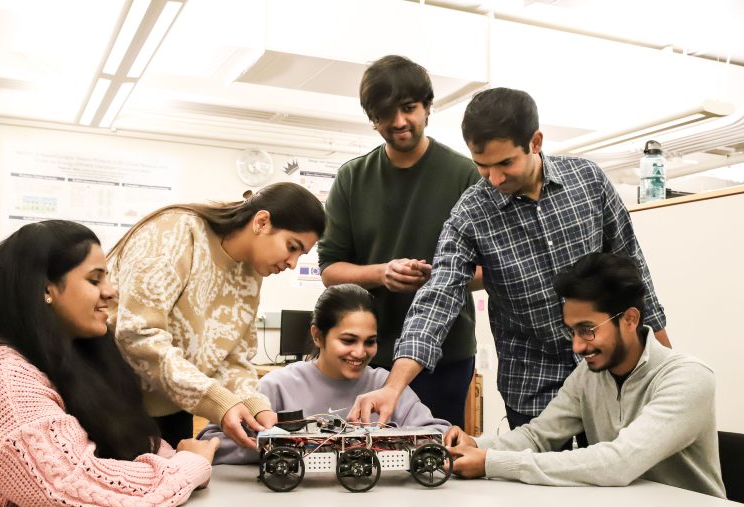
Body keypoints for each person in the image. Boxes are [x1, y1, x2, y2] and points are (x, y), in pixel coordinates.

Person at [350, 87, 670, 432]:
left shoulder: (589, 181)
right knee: (533, 478)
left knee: (616, 474)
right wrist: (393, 387)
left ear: (535, 142)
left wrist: (667, 363)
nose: (495, 179)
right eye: (482, 166)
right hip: (533, 386)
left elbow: (633, 270)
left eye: (505, 163)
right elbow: (436, 300)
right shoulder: (470, 214)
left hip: (608, 370)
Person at [0, 221, 220, 507]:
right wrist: (187, 467)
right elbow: (66, 483)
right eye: (95, 279)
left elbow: (131, 441)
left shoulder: (77, 357)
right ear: (45, 289)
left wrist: (175, 459)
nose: (111, 291)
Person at [443, 253, 724, 498]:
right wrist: (475, 445)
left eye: (587, 329)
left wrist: (491, 462)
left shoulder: (688, 378)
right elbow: (538, 436)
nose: (577, 346)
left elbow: (619, 462)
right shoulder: (588, 376)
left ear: (630, 319)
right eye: (572, 331)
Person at [318, 54, 481, 428]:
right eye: (385, 114)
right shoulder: (352, 178)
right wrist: (381, 273)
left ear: (427, 108)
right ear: (372, 119)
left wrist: (438, 278)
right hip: (368, 354)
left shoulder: (465, 175)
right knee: (365, 457)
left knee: (435, 456)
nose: (399, 122)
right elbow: (330, 271)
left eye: (409, 108)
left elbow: (489, 269)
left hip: (446, 354)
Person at [107, 182, 325, 449]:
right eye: (292, 247)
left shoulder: (251, 272)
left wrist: (257, 409)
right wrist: (215, 399)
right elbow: (137, 335)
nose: (292, 263)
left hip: (174, 409)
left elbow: (232, 358)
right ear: (262, 222)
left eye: (301, 255)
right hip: (112, 404)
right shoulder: (175, 232)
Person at [198, 283, 450, 464]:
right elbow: (210, 441)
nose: (360, 352)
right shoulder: (279, 385)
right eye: (348, 340)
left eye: (369, 342)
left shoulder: (385, 384)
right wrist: (284, 447)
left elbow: (437, 433)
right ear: (317, 335)